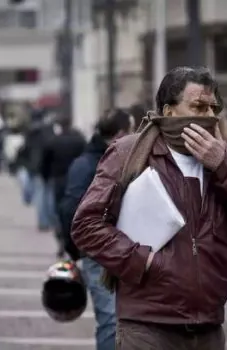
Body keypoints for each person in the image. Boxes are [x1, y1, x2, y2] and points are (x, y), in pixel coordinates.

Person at [71, 67, 227, 349]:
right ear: (168, 111)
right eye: (198, 106)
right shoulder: (128, 153)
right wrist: (144, 261)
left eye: (213, 108)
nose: (207, 116)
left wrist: (223, 167)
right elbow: (85, 225)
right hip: (147, 326)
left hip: (208, 326)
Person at [60, 108, 134, 350]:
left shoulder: (120, 159)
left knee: (123, 320)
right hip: (99, 252)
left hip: (124, 249)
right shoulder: (89, 163)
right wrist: (78, 249)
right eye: (132, 131)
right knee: (111, 319)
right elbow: (70, 208)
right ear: (120, 133)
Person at [40, 115, 86, 258]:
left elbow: (44, 163)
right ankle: (75, 242)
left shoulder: (54, 141)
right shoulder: (80, 141)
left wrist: (46, 177)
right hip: (76, 180)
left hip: (58, 180)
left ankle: (62, 241)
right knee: (75, 212)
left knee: (59, 213)